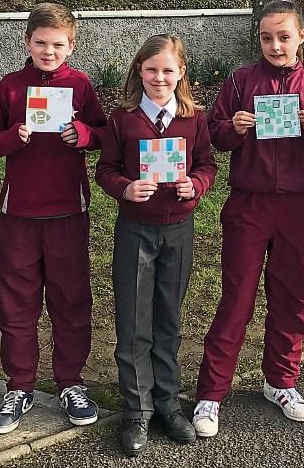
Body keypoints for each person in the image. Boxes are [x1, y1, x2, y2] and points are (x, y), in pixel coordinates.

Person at [192, 0, 304, 438]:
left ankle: (281, 380)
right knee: (236, 296)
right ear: (257, 39)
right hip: (249, 202)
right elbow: (214, 136)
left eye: (283, 36)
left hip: (297, 205)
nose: (275, 45)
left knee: (293, 293)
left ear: (301, 37)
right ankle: (212, 390)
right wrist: (233, 128)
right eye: (266, 38)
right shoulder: (241, 81)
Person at [0, 2, 106, 433]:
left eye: (57, 44)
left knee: (71, 299)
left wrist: (84, 135)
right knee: (16, 301)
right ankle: (20, 385)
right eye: (40, 43)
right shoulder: (12, 87)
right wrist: (13, 137)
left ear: (71, 45)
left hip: (69, 210)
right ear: (27, 42)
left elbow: (106, 134)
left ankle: (71, 381)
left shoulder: (81, 84)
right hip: (18, 213)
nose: (48, 51)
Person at [96, 34, 217, 457]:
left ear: (181, 72)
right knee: (133, 321)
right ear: (139, 72)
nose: (159, 78)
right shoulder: (123, 119)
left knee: (169, 319)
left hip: (179, 229)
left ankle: (167, 402)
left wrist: (195, 185)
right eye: (151, 70)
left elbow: (207, 164)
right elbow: (106, 169)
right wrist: (125, 189)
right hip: (136, 229)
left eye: (168, 70)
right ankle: (137, 407)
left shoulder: (194, 119)